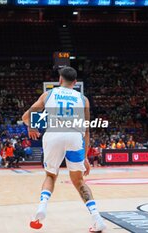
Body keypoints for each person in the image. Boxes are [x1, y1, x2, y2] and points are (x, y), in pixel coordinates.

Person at [22, 67, 106, 232]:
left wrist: (31, 126)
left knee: (51, 175)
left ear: (59, 80)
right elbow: (87, 130)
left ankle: (42, 207)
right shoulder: (83, 99)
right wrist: (86, 157)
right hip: (75, 136)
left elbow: (26, 116)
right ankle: (97, 217)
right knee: (79, 181)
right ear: (75, 83)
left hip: (53, 135)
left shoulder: (49, 94)